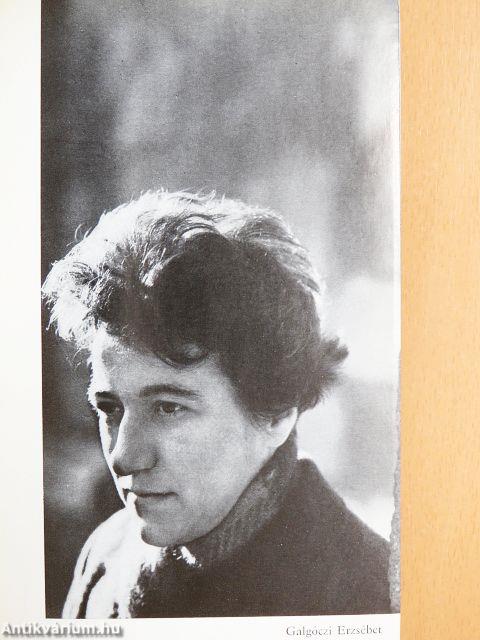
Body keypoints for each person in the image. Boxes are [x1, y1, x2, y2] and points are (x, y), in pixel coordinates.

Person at [42, 190, 391, 618]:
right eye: (110, 409)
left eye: (168, 407)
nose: (122, 456)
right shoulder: (104, 558)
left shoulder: (370, 598)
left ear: (277, 412)